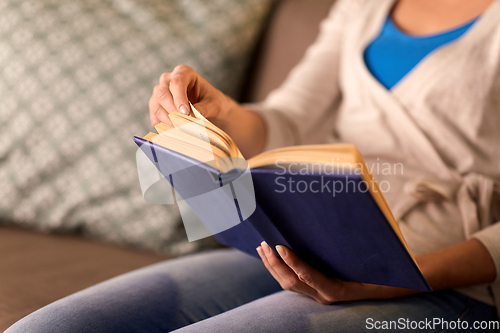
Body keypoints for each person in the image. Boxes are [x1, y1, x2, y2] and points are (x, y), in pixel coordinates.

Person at [7, 0, 500, 331]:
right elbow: (288, 119)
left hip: (443, 278)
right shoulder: (364, 5)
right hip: (307, 244)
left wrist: (396, 281)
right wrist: (220, 112)